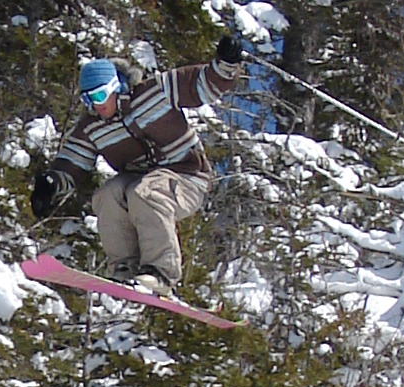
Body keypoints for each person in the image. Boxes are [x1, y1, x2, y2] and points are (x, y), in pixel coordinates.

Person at [29, 32, 247, 292]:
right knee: (108, 195)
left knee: (144, 192)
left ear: (115, 86)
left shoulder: (156, 92)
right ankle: (124, 268)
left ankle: (161, 273)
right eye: (87, 100)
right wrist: (51, 185)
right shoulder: (91, 127)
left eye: (99, 97)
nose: (95, 106)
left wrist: (226, 63)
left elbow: (202, 84)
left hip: (187, 176)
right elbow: (72, 161)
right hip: (140, 180)